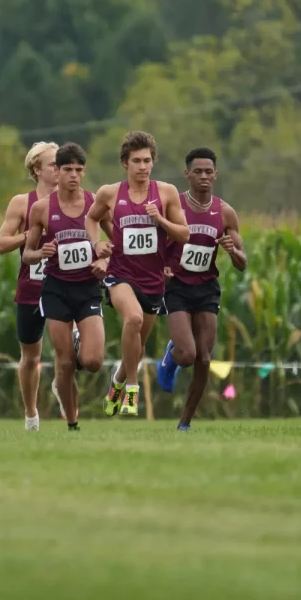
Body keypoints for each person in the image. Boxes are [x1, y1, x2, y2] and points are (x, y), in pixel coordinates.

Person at [87, 130, 190, 418]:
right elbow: (91, 218)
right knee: (132, 318)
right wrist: (97, 243)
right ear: (125, 164)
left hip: (153, 280)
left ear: (153, 162)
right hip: (120, 274)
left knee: (138, 344)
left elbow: (184, 234)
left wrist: (160, 219)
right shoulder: (110, 193)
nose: (142, 167)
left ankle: (117, 382)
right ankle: (132, 389)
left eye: (147, 161)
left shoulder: (166, 192)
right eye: (136, 161)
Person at [155, 148, 246, 431]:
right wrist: (162, 269)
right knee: (187, 354)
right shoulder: (174, 206)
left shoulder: (225, 212)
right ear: (187, 174)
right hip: (177, 287)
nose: (204, 176)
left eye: (209, 172)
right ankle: (171, 356)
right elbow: (153, 244)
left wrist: (232, 252)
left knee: (205, 359)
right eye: (198, 171)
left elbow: (243, 262)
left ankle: (185, 422)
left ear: (215, 175)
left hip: (206, 288)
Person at [23, 143, 106, 431]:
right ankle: (72, 423)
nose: (73, 175)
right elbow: (27, 254)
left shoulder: (95, 203)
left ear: (84, 172)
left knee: (93, 361)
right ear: (56, 172)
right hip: (56, 290)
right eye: (67, 169)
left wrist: (105, 262)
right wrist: (41, 253)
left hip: (88, 289)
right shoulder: (42, 208)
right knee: (65, 363)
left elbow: (115, 241)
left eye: (79, 170)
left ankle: (81, 342)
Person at [0, 142, 59, 431]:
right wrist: (31, 235)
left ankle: (62, 381)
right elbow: (1, 244)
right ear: (37, 170)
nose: (61, 170)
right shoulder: (22, 203)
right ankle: (31, 414)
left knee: (71, 351)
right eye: (54, 165)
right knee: (31, 357)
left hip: (66, 285)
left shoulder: (77, 200)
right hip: (31, 287)